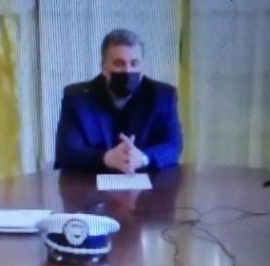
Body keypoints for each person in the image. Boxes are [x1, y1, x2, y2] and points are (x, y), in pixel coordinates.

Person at [54, 28, 183, 174]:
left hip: (147, 182)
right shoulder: (77, 98)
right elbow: (66, 152)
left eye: (134, 63)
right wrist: (106, 158)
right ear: (103, 67)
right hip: (91, 183)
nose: (127, 70)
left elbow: (173, 146)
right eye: (119, 64)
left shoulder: (163, 96)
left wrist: (142, 158)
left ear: (142, 66)